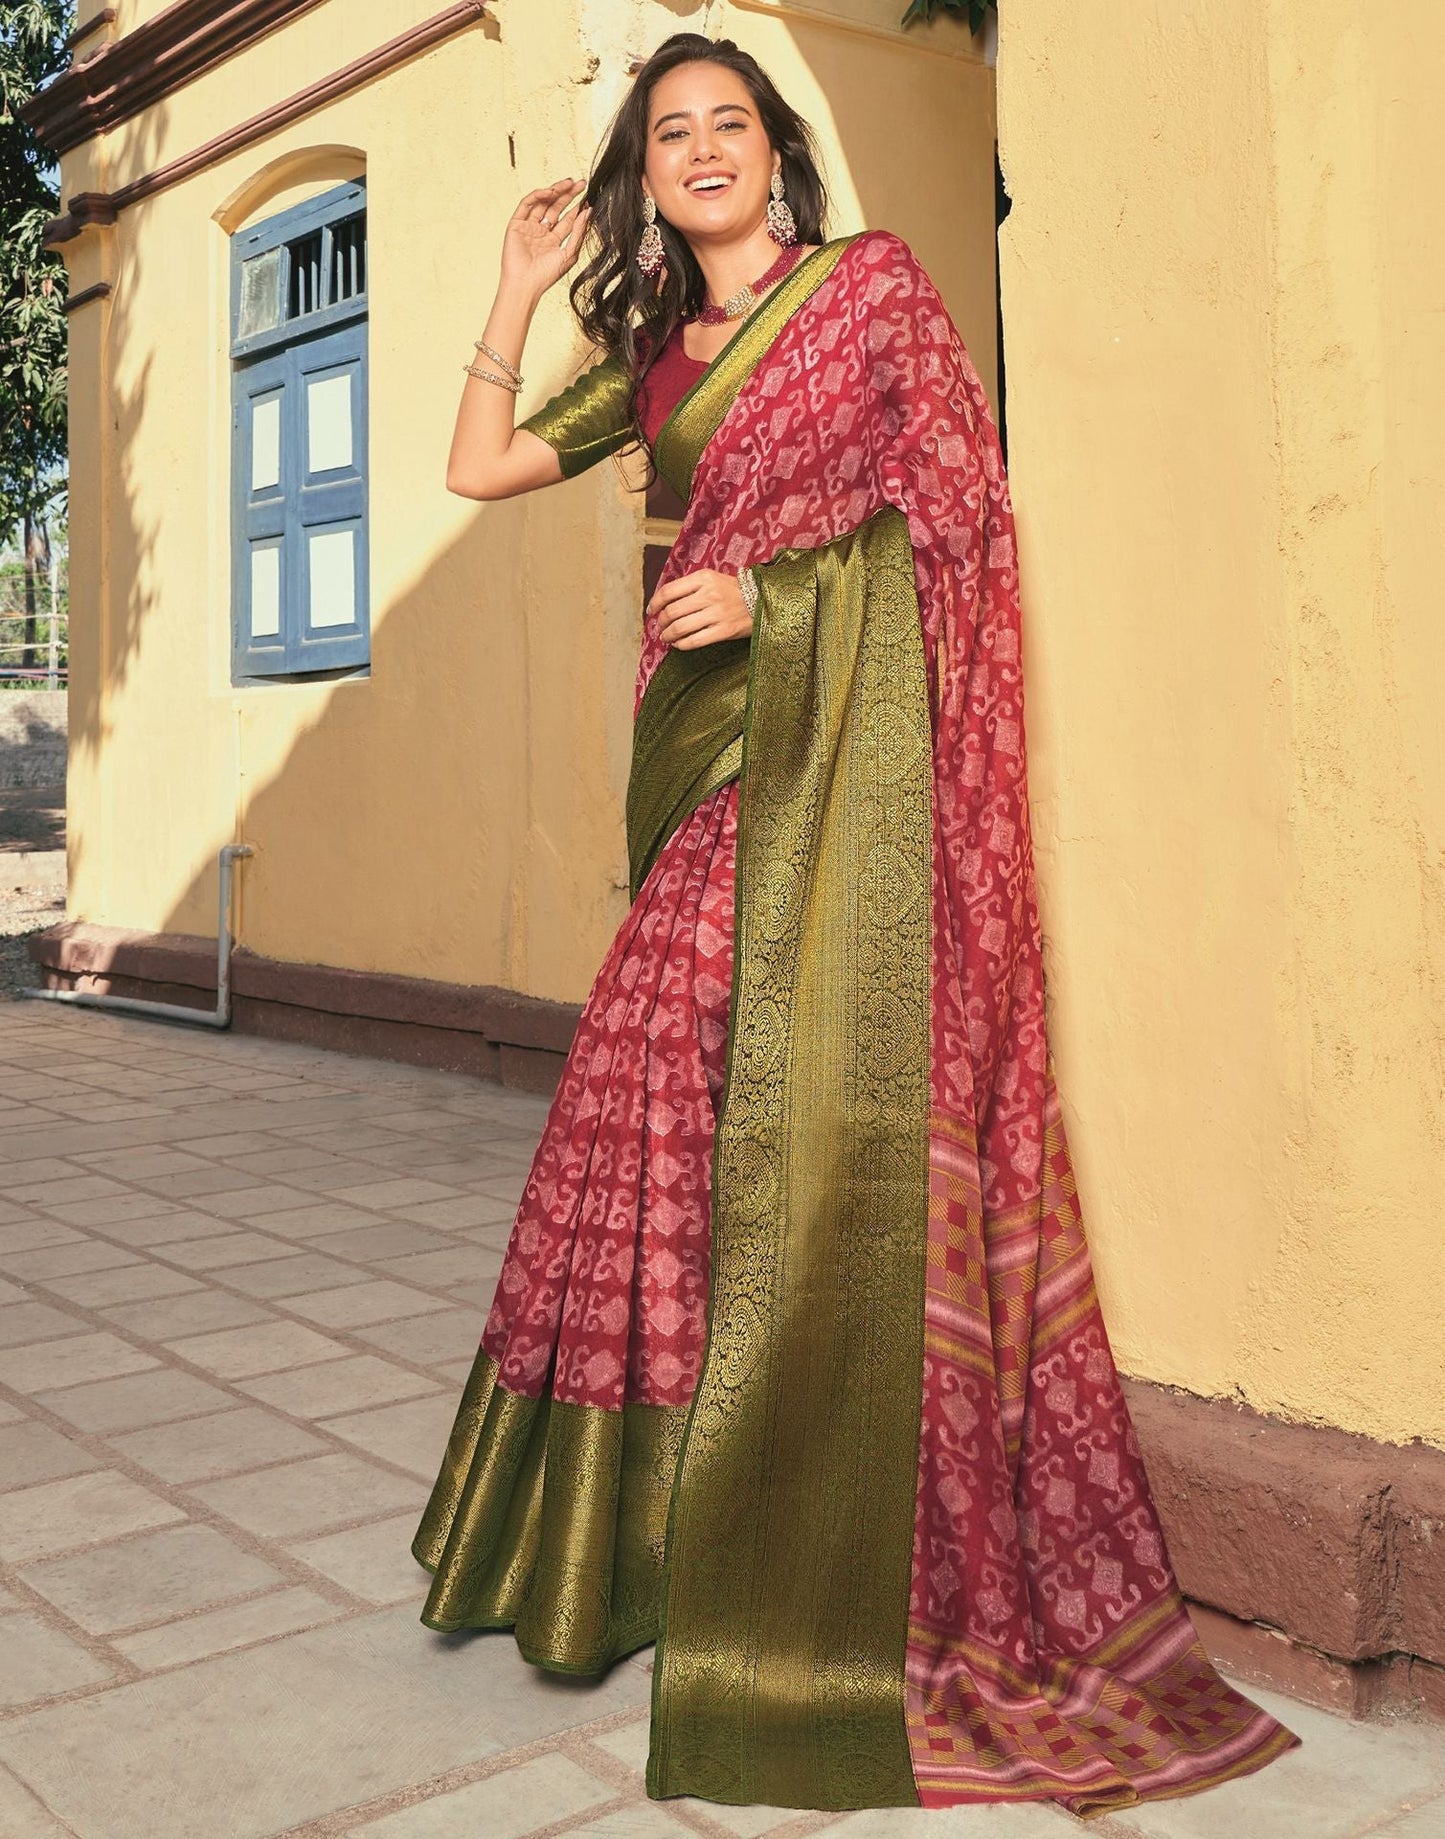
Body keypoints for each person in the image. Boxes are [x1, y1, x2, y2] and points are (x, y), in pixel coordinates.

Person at [414, 29, 1300, 1821]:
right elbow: (478, 468)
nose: (703, 150)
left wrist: (780, 594)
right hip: (705, 755)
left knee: (810, 1118)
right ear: (646, 178)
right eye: (671, 133)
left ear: (776, 148)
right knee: (652, 1108)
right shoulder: (656, 363)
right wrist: (513, 286)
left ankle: (806, 1544)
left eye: (729, 122)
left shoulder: (869, 292)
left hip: (837, 746)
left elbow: (960, 513)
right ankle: (637, 1546)